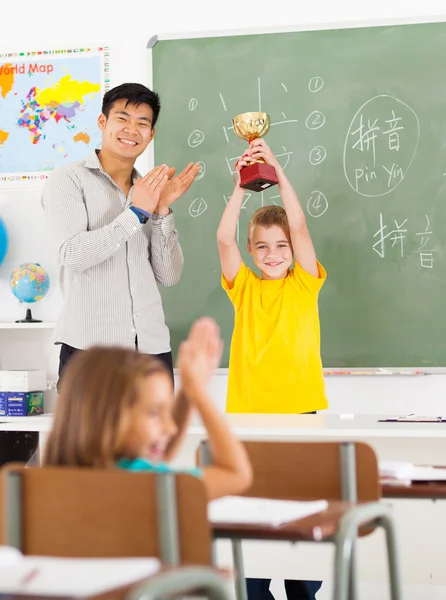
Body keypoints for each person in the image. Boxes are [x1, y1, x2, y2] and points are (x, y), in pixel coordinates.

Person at [216, 138, 327, 599]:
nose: (273, 253)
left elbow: (298, 226)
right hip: (247, 420)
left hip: (301, 417)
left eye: (279, 245)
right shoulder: (242, 288)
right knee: (254, 525)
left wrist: (276, 171)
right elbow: (223, 238)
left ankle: (302, 588)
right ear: (251, 250)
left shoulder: (305, 284)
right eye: (261, 246)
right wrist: (243, 183)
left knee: (300, 528)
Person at [41, 82, 200, 384]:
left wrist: (161, 209)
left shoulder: (151, 191)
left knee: (154, 434)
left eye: (143, 123)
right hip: (91, 352)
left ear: (151, 135)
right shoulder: (68, 179)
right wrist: (136, 214)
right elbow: (72, 255)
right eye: (122, 118)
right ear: (103, 122)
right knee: (92, 435)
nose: (132, 129)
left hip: (152, 351)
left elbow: (168, 276)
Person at [44, 317, 252, 500]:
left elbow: (156, 458)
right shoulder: (152, 484)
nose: (170, 428)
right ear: (109, 418)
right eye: (154, 413)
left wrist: (187, 393)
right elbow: (236, 473)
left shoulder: (43, 483)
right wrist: (197, 391)